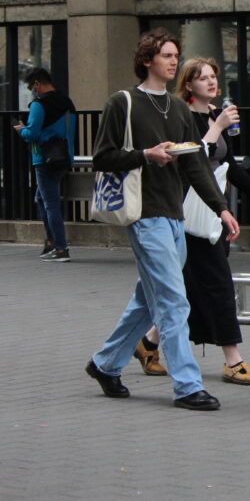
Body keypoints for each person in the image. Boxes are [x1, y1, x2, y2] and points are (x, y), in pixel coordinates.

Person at [85, 29, 240, 411]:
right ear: (147, 61)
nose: (173, 61)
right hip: (144, 215)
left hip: (175, 215)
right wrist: (144, 155)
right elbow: (102, 157)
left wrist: (220, 208)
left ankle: (105, 364)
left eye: (175, 55)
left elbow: (195, 165)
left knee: (147, 301)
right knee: (173, 299)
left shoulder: (178, 108)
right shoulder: (122, 103)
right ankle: (187, 386)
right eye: (166, 55)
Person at [132, 57, 250, 384]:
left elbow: (230, 167)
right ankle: (233, 361)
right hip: (186, 213)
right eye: (202, 78)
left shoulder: (212, 115)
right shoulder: (181, 115)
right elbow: (188, 162)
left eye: (213, 77)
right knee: (217, 285)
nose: (211, 82)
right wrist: (216, 128)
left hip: (210, 214)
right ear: (188, 85)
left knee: (188, 289)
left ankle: (148, 342)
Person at [15, 67, 76, 262]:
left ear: (37, 85)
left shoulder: (38, 105)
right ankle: (51, 242)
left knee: (50, 204)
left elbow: (32, 134)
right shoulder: (67, 102)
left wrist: (22, 130)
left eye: (31, 87)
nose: (32, 91)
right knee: (41, 198)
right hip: (64, 156)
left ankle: (60, 247)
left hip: (44, 159)